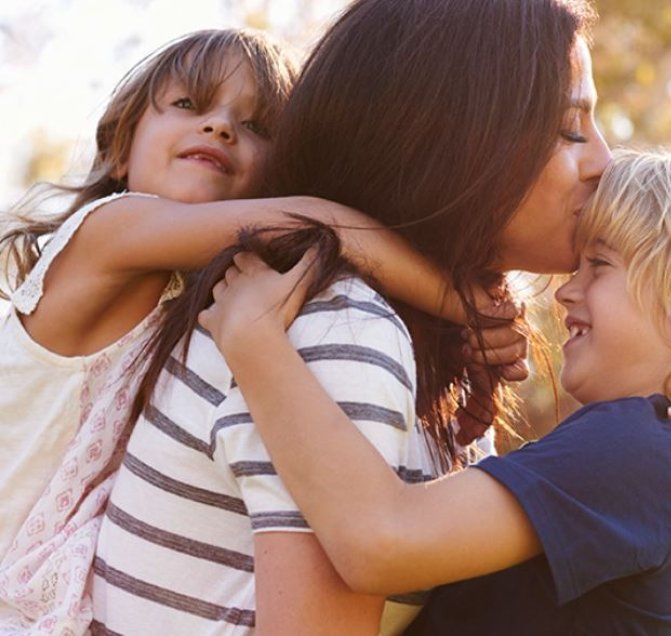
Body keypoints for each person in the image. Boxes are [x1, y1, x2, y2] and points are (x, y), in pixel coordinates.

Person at [93, 1, 671, 633]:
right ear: (455, 139)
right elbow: (376, 547)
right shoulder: (339, 331)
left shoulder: (406, 342)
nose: (604, 162)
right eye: (570, 127)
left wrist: (660, 505)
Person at [201, 147, 671, 635]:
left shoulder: (639, 448)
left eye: (601, 265)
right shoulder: (660, 462)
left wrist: (255, 341)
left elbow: (380, 541)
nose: (566, 290)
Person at [0, 27, 488, 634]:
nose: (220, 128)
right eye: (189, 105)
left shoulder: (192, 296)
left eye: (255, 126)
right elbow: (321, 222)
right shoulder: (106, 231)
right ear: (121, 150)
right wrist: (472, 309)